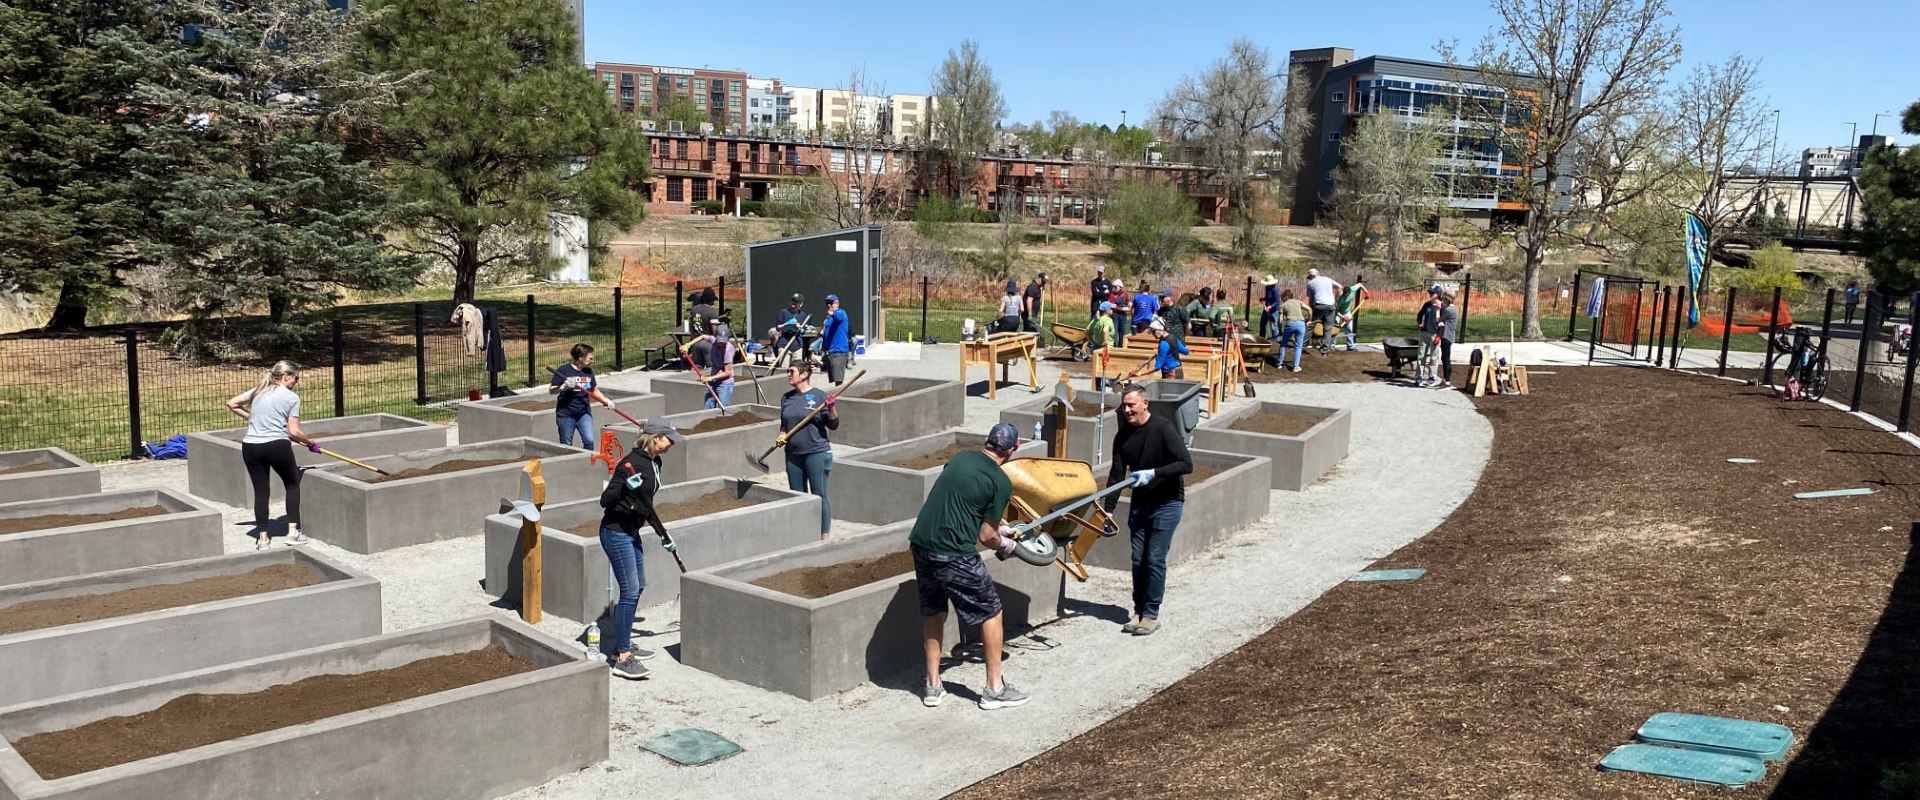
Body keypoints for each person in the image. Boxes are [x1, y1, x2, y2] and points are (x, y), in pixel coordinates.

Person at [910, 423, 1032, 710]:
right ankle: (994, 689)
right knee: (991, 611)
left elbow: (962, 501)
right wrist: (1007, 546)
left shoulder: (961, 458)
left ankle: (932, 686)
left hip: (921, 542)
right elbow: (986, 536)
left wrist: (996, 531)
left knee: (934, 609)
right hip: (953, 552)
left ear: (987, 442)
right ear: (1013, 449)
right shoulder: (1000, 481)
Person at [597, 417, 687, 680]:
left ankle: (622, 641)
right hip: (615, 532)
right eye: (669, 439)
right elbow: (605, 500)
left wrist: (662, 534)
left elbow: (646, 503)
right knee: (630, 589)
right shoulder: (631, 464)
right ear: (655, 438)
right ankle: (623, 657)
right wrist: (624, 486)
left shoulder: (654, 462)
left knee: (640, 584)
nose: (672, 443)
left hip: (631, 531)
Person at [1101, 385, 1193, 636]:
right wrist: (1107, 510)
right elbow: (1116, 476)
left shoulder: (1162, 428)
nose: (1127, 410)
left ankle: (1151, 614)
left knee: (1154, 559)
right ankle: (1138, 611)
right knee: (1137, 559)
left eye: (1132, 404)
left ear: (1145, 404)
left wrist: (1153, 474)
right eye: (1124, 405)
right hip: (1140, 505)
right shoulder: (1122, 437)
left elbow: (1186, 464)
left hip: (1167, 503)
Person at [225, 360, 319, 549]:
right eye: (295, 378)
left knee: (261, 491)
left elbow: (232, 403)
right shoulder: (291, 397)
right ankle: (293, 532)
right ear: (285, 376)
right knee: (292, 484)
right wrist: (311, 444)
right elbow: (294, 431)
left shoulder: (259, 390)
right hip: (276, 445)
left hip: (250, 447)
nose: (296, 382)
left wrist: (252, 417)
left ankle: (262, 539)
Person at [774, 362, 838, 536]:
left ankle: (824, 536)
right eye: (788, 371)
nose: (788, 374)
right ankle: (803, 533)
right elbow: (784, 423)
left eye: (791, 371)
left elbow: (833, 425)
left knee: (820, 495)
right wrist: (782, 436)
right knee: (798, 496)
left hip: (816, 452)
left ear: (804, 375)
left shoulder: (819, 396)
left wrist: (831, 409)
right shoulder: (786, 398)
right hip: (793, 455)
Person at [550, 343, 616, 447]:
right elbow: (551, 390)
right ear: (580, 357)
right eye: (590, 358)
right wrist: (563, 387)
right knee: (566, 444)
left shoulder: (588, 371)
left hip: (584, 413)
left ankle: (589, 462)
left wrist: (605, 400)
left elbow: (594, 390)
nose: (592, 361)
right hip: (566, 414)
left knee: (589, 441)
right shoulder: (564, 370)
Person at [1305, 268, 1343, 354]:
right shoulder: (1327, 279)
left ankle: (1302, 345)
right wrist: (1335, 299)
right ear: (1318, 273)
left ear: (1311, 276)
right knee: (1328, 328)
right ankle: (1325, 350)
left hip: (1319, 306)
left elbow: (1310, 299)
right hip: (1330, 305)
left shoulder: (1310, 283)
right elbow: (1339, 287)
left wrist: (1312, 309)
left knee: (1311, 325)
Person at [699, 325, 737, 409]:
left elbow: (727, 372)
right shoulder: (714, 341)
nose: (721, 343)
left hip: (725, 383)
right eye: (720, 341)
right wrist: (688, 345)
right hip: (713, 380)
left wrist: (709, 378)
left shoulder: (728, 350)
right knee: (708, 406)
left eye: (723, 341)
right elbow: (702, 337)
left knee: (722, 408)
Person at [1416, 286, 1444, 387]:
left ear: (1439, 294)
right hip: (1425, 333)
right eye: (1430, 293)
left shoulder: (1442, 307)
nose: (1431, 294)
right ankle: (1419, 377)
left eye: (1433, 293)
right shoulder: (1427, 305)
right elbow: (1420, 315)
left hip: (1435, 334)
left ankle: (1432, 377)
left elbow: (1443, 322)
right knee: (1421, 355)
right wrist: (1420, 323)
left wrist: (1439, 335)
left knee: (1434, 357)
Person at [1336, 274, 1372, 351]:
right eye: (1344, 294)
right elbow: (1335, 311)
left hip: (1346, 311)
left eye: (1346, 294)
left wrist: (1366, 292)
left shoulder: (1352, 289)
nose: (1345, 296)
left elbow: (1359, 284)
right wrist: (1342, 317)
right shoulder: (1340, 298)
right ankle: (1332, 346)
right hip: (1338, 313)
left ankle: (1350, 346)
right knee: (1335, 328)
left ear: (1349, 292)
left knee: (1349, 329)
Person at [820, 294, 851, 385]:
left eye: (831, 303)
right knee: (835, 378)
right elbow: (826, 333)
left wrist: (833, 313)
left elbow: (838, 317)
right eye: (827, 303)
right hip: (831, 350)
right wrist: (824, 346)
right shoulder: (828, 319)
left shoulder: (841, 312)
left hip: (839, 350)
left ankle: (839, 397)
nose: (829, 305)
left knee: (838, 378)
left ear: (837, 303)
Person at [1278, 290, 1310, 372]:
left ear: (1285, 297)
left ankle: (1279, 363)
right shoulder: (1298, 302)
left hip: (1290, 324)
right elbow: (1309, 310)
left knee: (1283, 344)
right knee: (1298, 346)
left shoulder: (1283, 305)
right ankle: (1296, 366)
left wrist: (1280, 330)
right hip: (1301, 324)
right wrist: (1309, 320)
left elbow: (1280, 320)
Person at [771, 293, 809, 361]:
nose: (793, 302)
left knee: (796, 368)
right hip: (784, 345)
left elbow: (803, 331)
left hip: (797, 346)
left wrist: (799, 327)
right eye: (793, 300)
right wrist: (787, 323)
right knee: (784, 369)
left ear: (800, 304)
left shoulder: (802, 315)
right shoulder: (784, 312)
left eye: (796, 301)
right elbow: (778, 327)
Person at [1089, 301, 1118, 390]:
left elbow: (1086, 332)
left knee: (1098, 368)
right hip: (1107, 347)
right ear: (1106, 310)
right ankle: (1110, 384)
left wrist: (1092, 342)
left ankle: (1098, 387)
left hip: (1097, 346)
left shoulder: (1096, 320)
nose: (1113, 310)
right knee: (1110, 366)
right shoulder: (1108, 320)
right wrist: (1106, 343)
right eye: (1111, 308)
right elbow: (1105, 330)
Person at [1436, 291, 1459, 388]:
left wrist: (1438, 310)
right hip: (1450, 335)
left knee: (1445, 358)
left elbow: (1438, 320)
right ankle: (1445, 379)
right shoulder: (1455, 309)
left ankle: (1447, 380)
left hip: (1446, 335)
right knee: (1445, 358)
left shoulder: (1448, 310)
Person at [1258, 275, 1280, 341]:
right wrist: (1263, 299)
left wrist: (1270, 307)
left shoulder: (1275, 290)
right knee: (1262, 324)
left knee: (1273, 327)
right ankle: (1261, 339)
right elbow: (1267, 297)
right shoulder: (1267, 288)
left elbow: (1277, 301)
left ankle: (1276, 341)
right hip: (1266, 309)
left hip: (1273, 310)